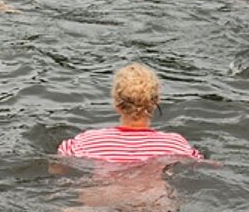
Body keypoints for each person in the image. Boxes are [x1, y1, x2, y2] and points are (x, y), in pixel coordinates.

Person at [57, 63, 203, 164]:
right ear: (155, 102)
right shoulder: (175, 145)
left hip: (98, 200)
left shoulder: (84, 142)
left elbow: (57, 169)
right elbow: (204, 166)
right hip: (153, 203)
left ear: (117, 104)